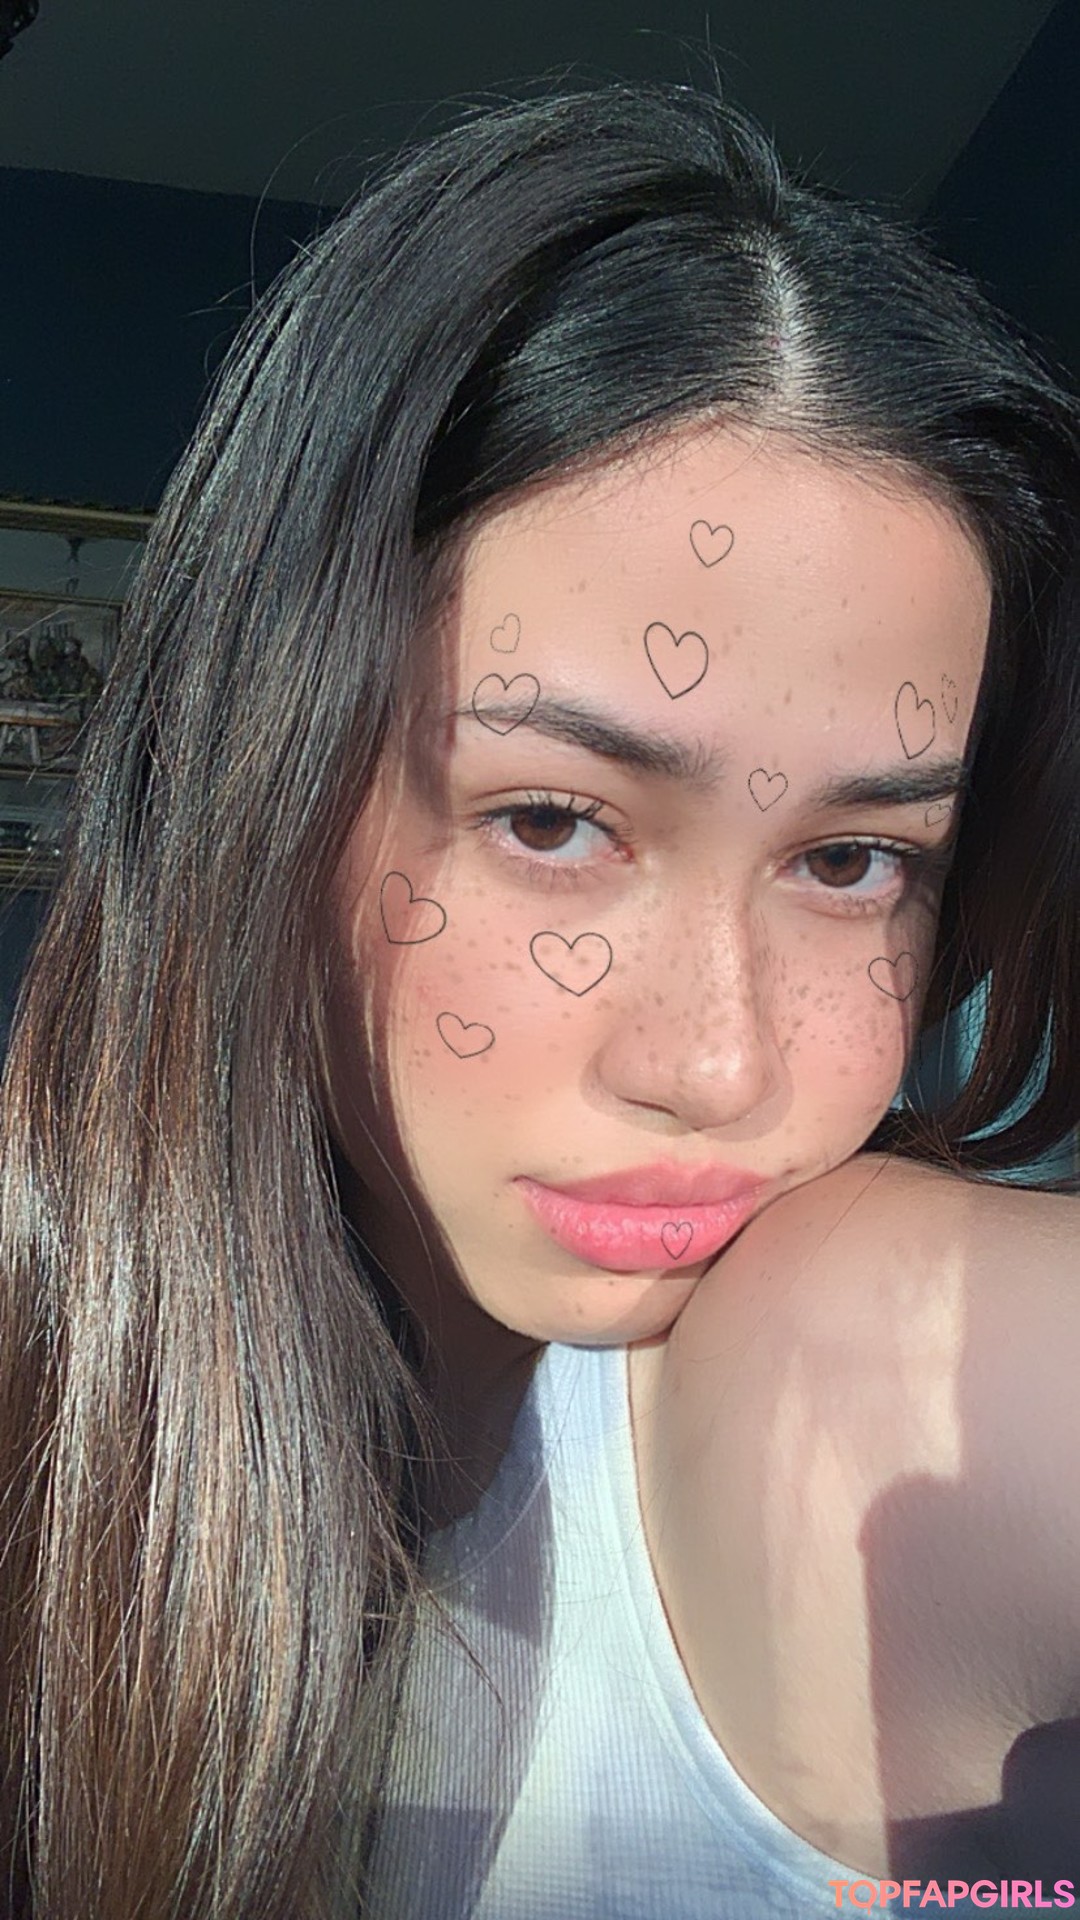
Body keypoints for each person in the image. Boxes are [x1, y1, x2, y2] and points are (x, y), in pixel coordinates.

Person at [0, 75, 1077, 1920]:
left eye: (851, 861)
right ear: (258, 789)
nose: (717, 1061)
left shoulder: (886, 1368)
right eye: (556, 821)